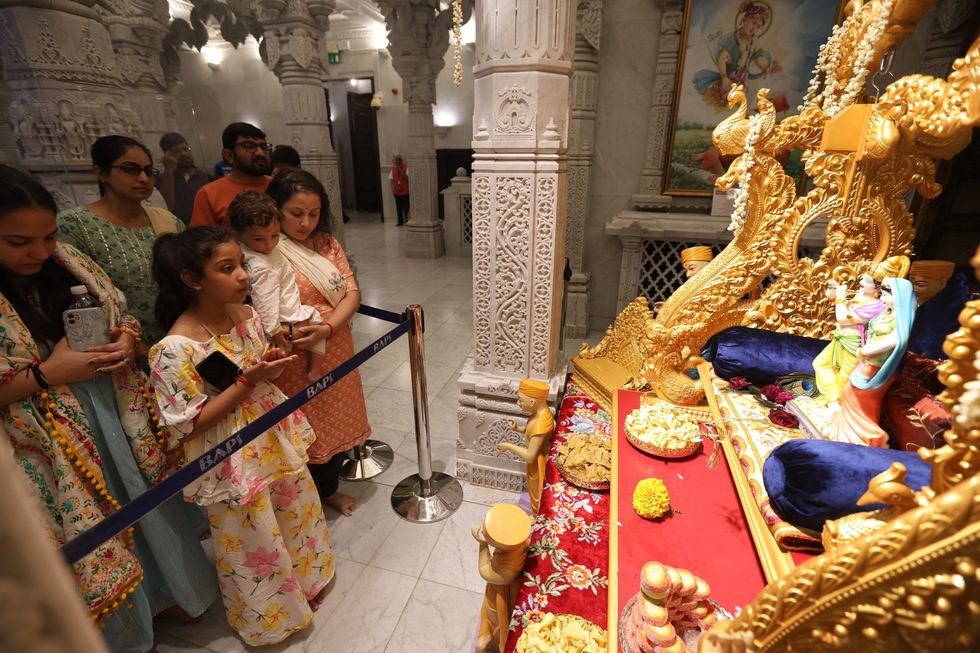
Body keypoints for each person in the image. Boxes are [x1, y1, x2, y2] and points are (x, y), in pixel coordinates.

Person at [0, 165, 217, 653]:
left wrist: (125, 340)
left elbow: (118, 314)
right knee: (92, 533)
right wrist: (47, 374)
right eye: (18, 242)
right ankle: (125, 629)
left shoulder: (65, 260)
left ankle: (171, 592)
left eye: (48, 237)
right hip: (44, 436)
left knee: (142, 505)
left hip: (112, 409)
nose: (39, 252)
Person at [148, 227, 335, 646]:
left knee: (293, 506)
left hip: (270, 431)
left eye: (241, 265)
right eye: (226, 268)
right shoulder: (174, 348)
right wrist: (247, 383)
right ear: (192, 279)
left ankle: (306, 582)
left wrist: (268, 364)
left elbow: (256, 370)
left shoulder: (246, 314)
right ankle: (273, 614)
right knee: (252, 533)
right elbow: (187, 424)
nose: (243, 276)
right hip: (229, 452)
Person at [266, 168, 371, 516]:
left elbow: (352, 293)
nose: (306, 223)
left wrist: (327, 328)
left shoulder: (327, 243)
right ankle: (301, 498)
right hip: (295, 354)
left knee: (335, 416)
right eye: (296, 213)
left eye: (313, 213)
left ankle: (328, 489)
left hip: (335, 343)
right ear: (276, 209)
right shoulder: (266, 249)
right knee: (303, 424)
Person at [57, 135, 184, 348]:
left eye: (148, 171)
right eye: (130, 169)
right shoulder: (73, 225)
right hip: (115, 345)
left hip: (177, 340)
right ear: (101, 173)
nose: (143, 178)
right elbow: (71, 296)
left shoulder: (169, 221)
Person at [228, 190, 325, 381]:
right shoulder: (260, 265)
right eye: (258, 239)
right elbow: (265, 298)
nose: (268, 244)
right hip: (285, 317)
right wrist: (275, 331)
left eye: (275, 235)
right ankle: (315, 368)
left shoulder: (247, 250)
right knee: (314, 321)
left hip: (280, 314)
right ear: (238, 234)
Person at [826, 275, 917, 448]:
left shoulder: (898, 320)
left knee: (860, 399)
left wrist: (866, 350)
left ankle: (869, 437)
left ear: (898, 297)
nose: (881, 298)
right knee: (848, 393)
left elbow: (897, 339)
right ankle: (846, 434)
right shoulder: (886, 313)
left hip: (876, 366)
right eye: (881, 294)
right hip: (866, 362)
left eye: (886, 295)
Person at [190, 122, 272, 228]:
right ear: (229, 155)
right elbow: (200, 237)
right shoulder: (209, 194)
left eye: (263, 146)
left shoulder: (278, 184)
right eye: (249, 146)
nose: (260, 153)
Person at [157, 132, 211, 226]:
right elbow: (163, 208)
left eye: (186, 149)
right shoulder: (161, 180)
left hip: (206, 229)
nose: (183, 154)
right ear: (167, 155)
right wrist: (169, 171)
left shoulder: (207, 177)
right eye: (176, 151)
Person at [389, 154, 409, 226]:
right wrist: (394, 188)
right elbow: (391, 180)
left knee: (406, 208)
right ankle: (400, 222)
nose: (397, 161)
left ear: (401, 160)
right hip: (397, 192)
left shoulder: (406, 167)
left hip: (405, 192)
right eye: (396, 160)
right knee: (398, 208)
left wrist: (401, 172)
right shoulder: (393, 168)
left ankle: (408, 221)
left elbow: (408, 179)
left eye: (399, 160)